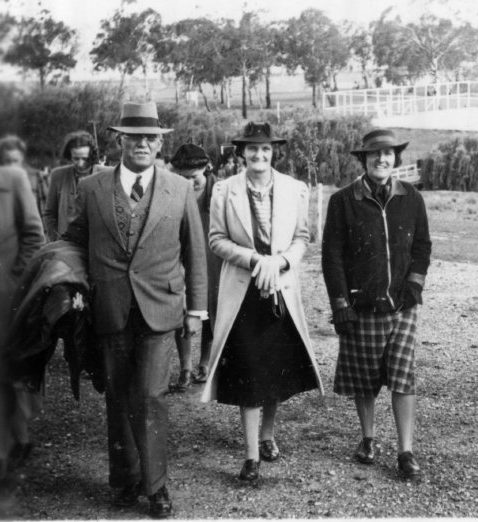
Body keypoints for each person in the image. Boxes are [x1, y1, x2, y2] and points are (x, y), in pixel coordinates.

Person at [61, 101, 207, 519]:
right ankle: (124, 480)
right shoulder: (92, 187)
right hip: (109, 306)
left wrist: (197, 310)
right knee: (118, 394)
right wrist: (72, 288)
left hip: (161, 308)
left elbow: (195, 253)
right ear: (119, 140)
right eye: (133, 136)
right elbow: (72, 242)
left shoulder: (179, 189)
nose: (142, 144)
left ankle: (155, 487)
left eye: (150, 137)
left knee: (150, 395)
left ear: (160, 143)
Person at [199, 122, 323, 483]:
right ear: (241, 153)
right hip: (243, 291)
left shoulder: (294, 189)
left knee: (275, 368)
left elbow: (302, 238)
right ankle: (251, 456)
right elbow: (217, 240)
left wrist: (279, 262)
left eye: (265, 149)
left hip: (279, 291)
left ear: (273, 152)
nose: (259, 155)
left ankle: (268, 436)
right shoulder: (224, 190)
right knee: (250, 370)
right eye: (252, 149)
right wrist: (255, 260)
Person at [322, 128, 432, 480]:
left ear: (395, 159)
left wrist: (413, 286)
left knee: (403, 377)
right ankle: (368, 438)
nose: (382, 160)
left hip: (402, 307)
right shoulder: (343, 201)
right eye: (374, 155)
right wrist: (341, 302)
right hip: (362, 307)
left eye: (388, 154)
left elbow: (422, 246)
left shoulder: (411, 197)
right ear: (363, 160)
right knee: (365, 379)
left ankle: (405, 450)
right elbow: (332, 256)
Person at [0, 160, 46, 492]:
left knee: (5, 372)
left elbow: (33, 233)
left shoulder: (10, 179)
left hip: (3, 295)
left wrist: (14, 280)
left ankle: (9, 446)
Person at [167, 144, 220, 391]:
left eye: (194, 178)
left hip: (212, 257)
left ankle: (205, 363)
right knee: (183, 308)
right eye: (182, 178)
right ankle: (186, 366)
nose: (188, 184)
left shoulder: (220, 191)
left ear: (207, 169)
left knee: (209, 308)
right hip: (180, 256)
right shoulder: (169, 190)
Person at [43, 131, 98, 241]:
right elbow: (49, 214)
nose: (80, 163)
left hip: (96, 245)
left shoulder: (106, 174)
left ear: (92, 156)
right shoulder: (58, 175)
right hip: (66, 244)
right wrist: (56, 239)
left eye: (85, 159)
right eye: (76, 158)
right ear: (69, 155)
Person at [0, 135, 50, 216]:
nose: (12, 166)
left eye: (15, 161)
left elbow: (46, 213)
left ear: (22, 158)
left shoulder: (38, 178)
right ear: (1, 161)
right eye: (7, 161)